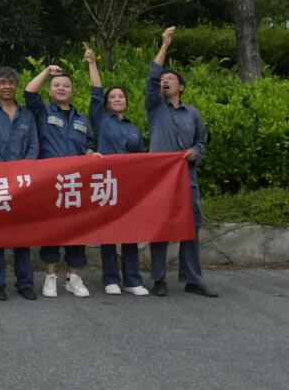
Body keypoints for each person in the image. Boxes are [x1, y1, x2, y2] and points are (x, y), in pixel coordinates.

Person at [146, 26, 217, 298]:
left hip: (187, 180)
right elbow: (152, 76)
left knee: (190, 229)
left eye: (170, 79)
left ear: (181, 87)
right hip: (160, 183)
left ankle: (192, 279)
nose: (165, 81)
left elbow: (202, 141)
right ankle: (158, 279)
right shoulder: (154, 108)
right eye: (163, 79)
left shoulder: (193, 114)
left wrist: (195, 153)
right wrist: (164, 45)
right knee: (160, 229)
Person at [24, 63, 95, 299]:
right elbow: (29, 92)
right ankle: (50, 277)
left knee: (77, 229)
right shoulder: (42, 112)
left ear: (72, 91)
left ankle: (74, 278)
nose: (61, 88)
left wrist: (91, 154)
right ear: (50, 90)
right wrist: (47, 72)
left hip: (76, 182)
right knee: (52, 230)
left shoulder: (82, 118)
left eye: (66, 85)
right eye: (57, 85)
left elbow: (89, 145)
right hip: (50, 181)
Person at [85, 46, 149, 296]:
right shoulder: (100, 120)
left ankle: (132, 279)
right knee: (109, 232)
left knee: (131, 231)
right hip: (107, 183)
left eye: (121, 96)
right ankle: (110, 278)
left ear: (127, 102)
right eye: (113, 97)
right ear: (107, 103)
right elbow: (96, 92)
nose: (117, 99)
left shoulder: (135, 129)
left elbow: (142, 160)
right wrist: (92, 63)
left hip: (129, 186)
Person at [0, 66, 40, 301]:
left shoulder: (27, 115)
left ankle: (25, 283)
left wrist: (23, 170)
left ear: (16, 86)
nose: (7, 86)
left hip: (23, 184)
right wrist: (2, 173)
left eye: (11, 82)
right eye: (2, 82)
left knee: (23, 235)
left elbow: (33, 145)